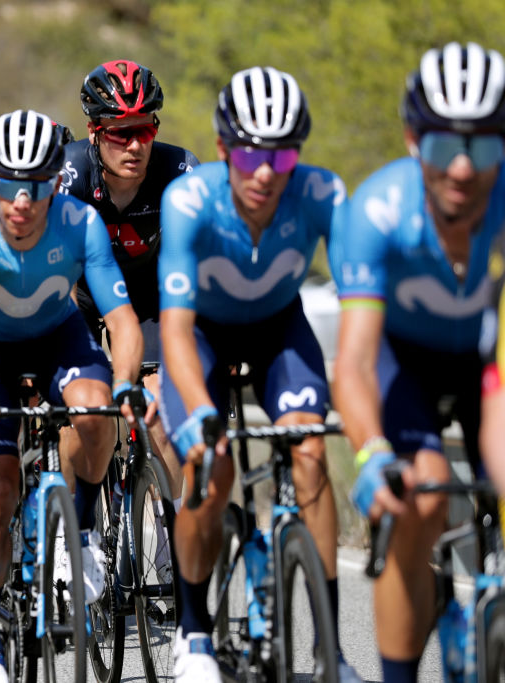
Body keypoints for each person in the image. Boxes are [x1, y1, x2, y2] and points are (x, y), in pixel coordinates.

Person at [157, 66, 362, 682]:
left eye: (282, 153)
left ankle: (331, 650)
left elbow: (361, 308)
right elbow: (173, 326)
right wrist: (196, 413)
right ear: (224, 150)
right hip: (203, 336)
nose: (266, 171)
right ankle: (193, 634)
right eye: (249, 153)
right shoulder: (189, 199)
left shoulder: (324, 195)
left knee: (309, 452)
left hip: (280, 331)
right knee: (208, 469)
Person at [0, 109, 148, 682]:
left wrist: (126, 383)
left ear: (57, 182)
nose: (20, 203)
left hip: (58, 336)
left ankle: (82, 532)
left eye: (35, 188)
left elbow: (122, 320)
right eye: (7, 186)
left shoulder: (81, 222)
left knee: (97, 409)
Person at [331, 42, 505, 683]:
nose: (463, 168)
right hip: (403, 365)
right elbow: (352, 363)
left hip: (486, 359)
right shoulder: (376, 214)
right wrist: (372, 453)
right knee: (422, 502)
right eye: (442, 147)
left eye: (485, 146)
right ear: (412, 141)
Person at [61, 58, 199, 497]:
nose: (135, 146)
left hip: (149, 299)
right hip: (79, 294)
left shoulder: (179, 171)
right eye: (121, 133)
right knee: (79, 408)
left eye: (145, 130)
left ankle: (168, 530)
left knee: (161, 408)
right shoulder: (66, 175)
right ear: (94, 132)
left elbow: (204, 261)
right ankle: (72, 528)